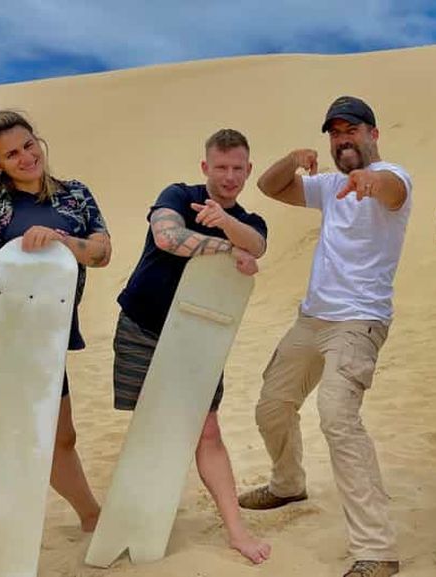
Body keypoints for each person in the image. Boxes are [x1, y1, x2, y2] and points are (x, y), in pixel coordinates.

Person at [238, 96, 412, 577]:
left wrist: (372, 181)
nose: (343, 140)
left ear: (373, 134)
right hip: (312, 320)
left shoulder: (394, 177)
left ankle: (377, 549)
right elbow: (270, 187)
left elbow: (393, 191)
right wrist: (294, 161)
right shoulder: (330, 186)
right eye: (335, 134)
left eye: (351, 130)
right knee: (272, 405)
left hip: (359, 322)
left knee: (337, 416)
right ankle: (288, 483)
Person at [0, 110, 110, 573]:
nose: (26, 157)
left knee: (61, 438)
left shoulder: (74, 196)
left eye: (29, 144)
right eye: (12, 153)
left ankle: (91, 515)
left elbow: (102, 252)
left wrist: (59, 240)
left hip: (44, 335)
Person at [113, 128, 270, 564]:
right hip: (142, 326)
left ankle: (236, 530)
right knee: (149, 427)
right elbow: (166, 237)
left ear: (248, 169)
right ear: (206, 167)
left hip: (201, 337)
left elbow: (256, 245)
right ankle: (131, 523)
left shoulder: (251, 221)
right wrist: (224, 245)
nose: (230, 176)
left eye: (238, 168)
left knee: (207, 430)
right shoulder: (180, 195)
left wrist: (228, 223)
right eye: (221, 167)